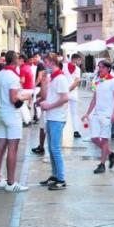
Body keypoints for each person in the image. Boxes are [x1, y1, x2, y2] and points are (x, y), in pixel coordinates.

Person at [0, 51, 30, 192]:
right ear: (15, 61)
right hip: (12, 114)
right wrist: (25, 97)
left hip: (1, 111)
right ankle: (11, 182)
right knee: (12, 148)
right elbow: (14, 98)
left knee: (0, 146)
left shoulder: (0, 74)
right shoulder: (13, 76)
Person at [38, 53, 70, 190]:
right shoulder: (52, 77)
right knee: (51, 148)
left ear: (52, 62)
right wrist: (44, 82)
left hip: (57, 117)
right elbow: (46, 95)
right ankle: (55, 175)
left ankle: (61, 179)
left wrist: (50, 106)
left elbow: (65, 98)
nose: (44, 65)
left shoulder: (61, 78)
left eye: (46, 62)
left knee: (55, 149)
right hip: (51, 116)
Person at [82, 61, 114, 174]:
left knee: (104, 140)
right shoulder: (96, 80)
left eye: (103, 67)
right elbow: (94, 98)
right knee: (94, 138)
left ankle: (102, 164)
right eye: (99, 67)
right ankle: (111, 154)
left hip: (107, 114)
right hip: (96, 113)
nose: (100, 69)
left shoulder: (113, 80)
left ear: (108, 68)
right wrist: (87, 113)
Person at [63, 53, 82, 138]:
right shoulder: (77, 69)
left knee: (64, 112)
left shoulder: (64, 66)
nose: (80, 61)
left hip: (65, 92)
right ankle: (76, 131)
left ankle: (62, 130)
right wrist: (69, 89)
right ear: (74, 59)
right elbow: (77, 82)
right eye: (79, 60)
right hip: (72, 92)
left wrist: (66, 90)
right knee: (73, 113)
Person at [18, 53, 34, 126]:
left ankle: (26, 121)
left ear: (22, 60)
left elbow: (22, 80)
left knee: (21, 105)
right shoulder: (28, 67)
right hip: (30, 89)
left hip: (26, 89)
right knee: (24, 105)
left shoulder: (22, 69)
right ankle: (28, 120)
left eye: (18, 59)